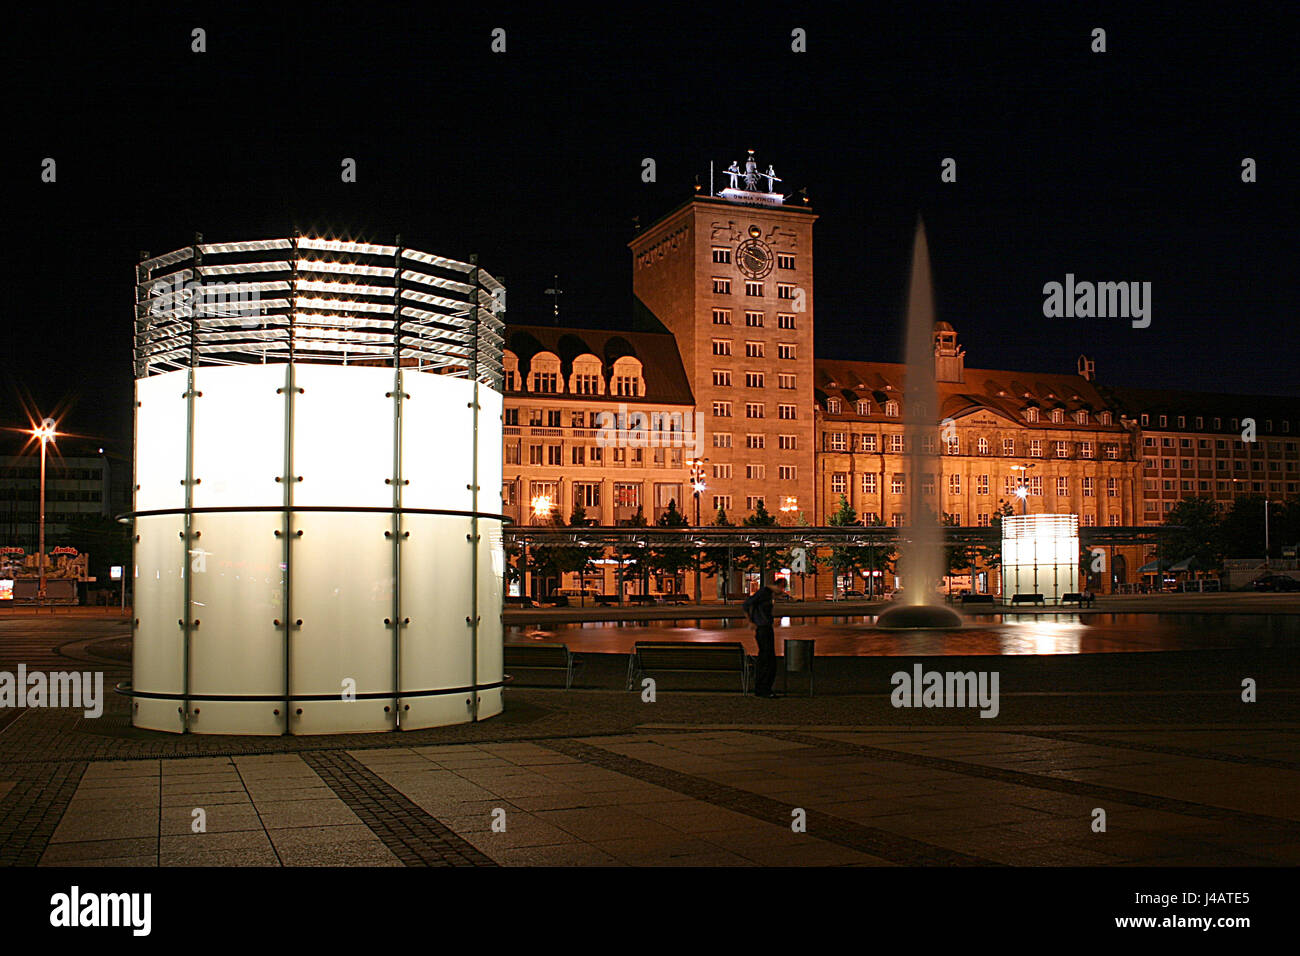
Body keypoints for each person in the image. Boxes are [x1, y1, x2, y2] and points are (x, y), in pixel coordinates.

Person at [743, 577, 787, 698]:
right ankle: (764, 688)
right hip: (763, 628)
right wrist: (751, 621)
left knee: (766, 658)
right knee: (767, 659)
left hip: (765, 627)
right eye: (783, 588)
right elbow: (747, 604)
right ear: (780, 585)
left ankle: (763, 688)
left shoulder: (767, 594)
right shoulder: (764, 593)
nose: (782, 592)